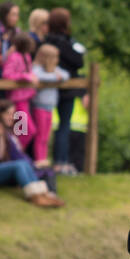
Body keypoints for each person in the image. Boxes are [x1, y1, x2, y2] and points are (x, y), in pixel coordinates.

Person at [44, 9, 86, 172]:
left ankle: (49, 159)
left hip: (49, 90)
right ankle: (60, 162)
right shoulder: (62, 43)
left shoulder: (46, 40)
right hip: (62, 90)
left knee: (47, 126)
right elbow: (78, 61)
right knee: (62, 126)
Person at [31, 43, 69, 164]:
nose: (57, 61)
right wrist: (55, 77)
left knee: (46, 137)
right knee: (39, 135)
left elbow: (66, 75)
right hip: (39, 107)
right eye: (55, 58)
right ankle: (39, 160)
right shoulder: (37, 69)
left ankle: (44, 159)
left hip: (49, 107)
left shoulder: (53, 70)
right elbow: (38, 76)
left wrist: (55, 75)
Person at [2, 33, 38, 153]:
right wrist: (25, 76)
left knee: (20, 130)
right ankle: (15, 152)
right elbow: (7, 74)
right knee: (27, 130)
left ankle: (17, 153)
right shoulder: (14, 57)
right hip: (17, 100)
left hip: (25, 99)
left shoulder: (26, 56)